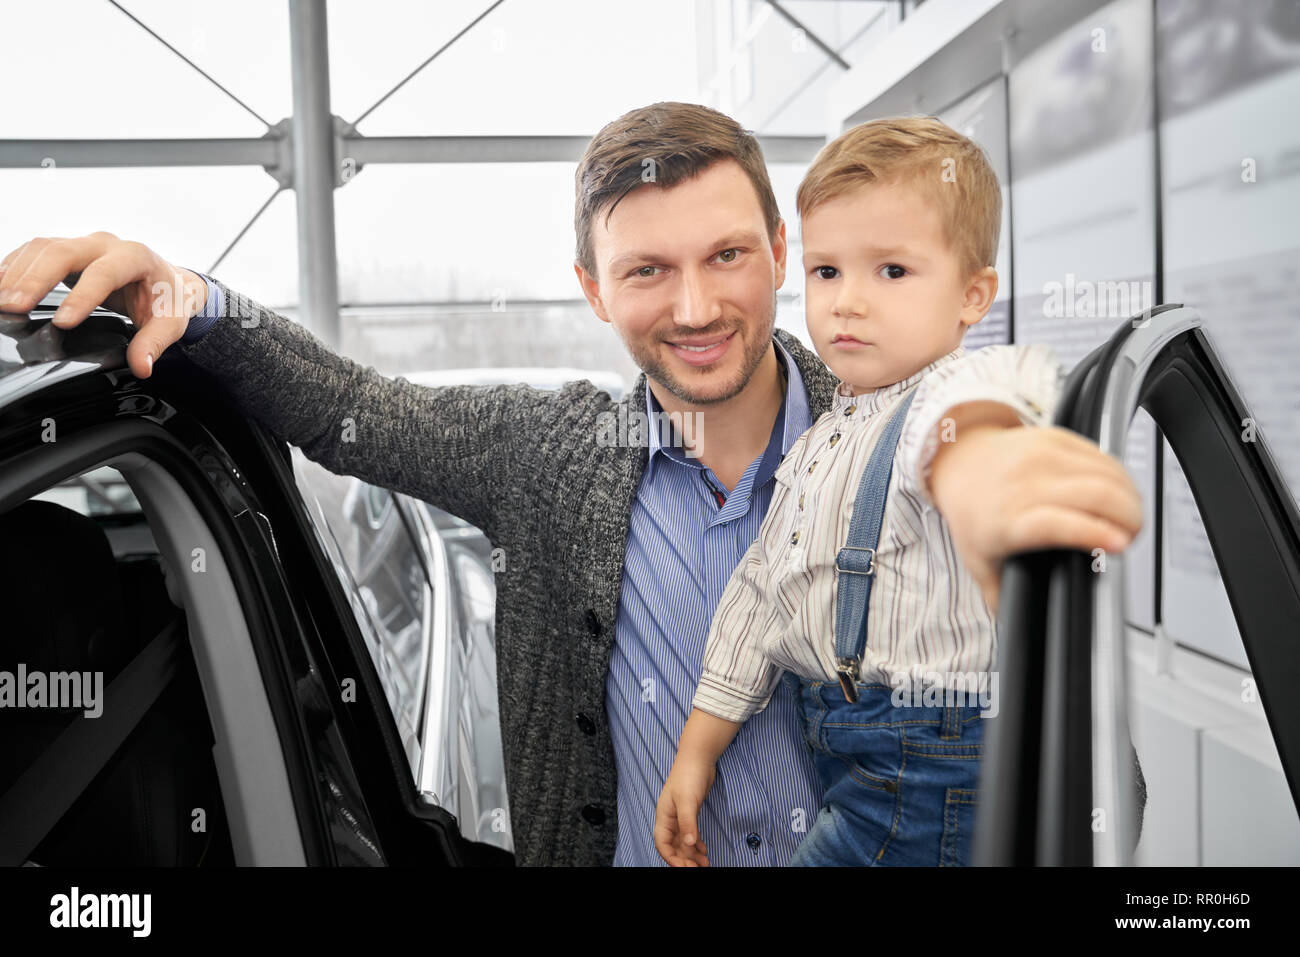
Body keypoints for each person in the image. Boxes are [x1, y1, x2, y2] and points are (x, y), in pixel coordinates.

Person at [0, 103, 1141, 867]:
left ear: (781, 255)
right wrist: (189, 295)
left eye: (726, 256)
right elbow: (349, 411)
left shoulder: (900, 433)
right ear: (594, 289)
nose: (693, 308)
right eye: (647, 269)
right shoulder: (545, 459)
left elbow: (1076, 741)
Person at [655, 116, 1140, 867]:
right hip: (866, 764)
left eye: (891, 271)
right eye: (827, 272)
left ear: (973, 295)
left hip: (936, 767)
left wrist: (989, 487)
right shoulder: (822, 439)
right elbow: (757, 599)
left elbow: (972, 430)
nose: (847, 301)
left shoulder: (955, 388)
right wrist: (696, 750)